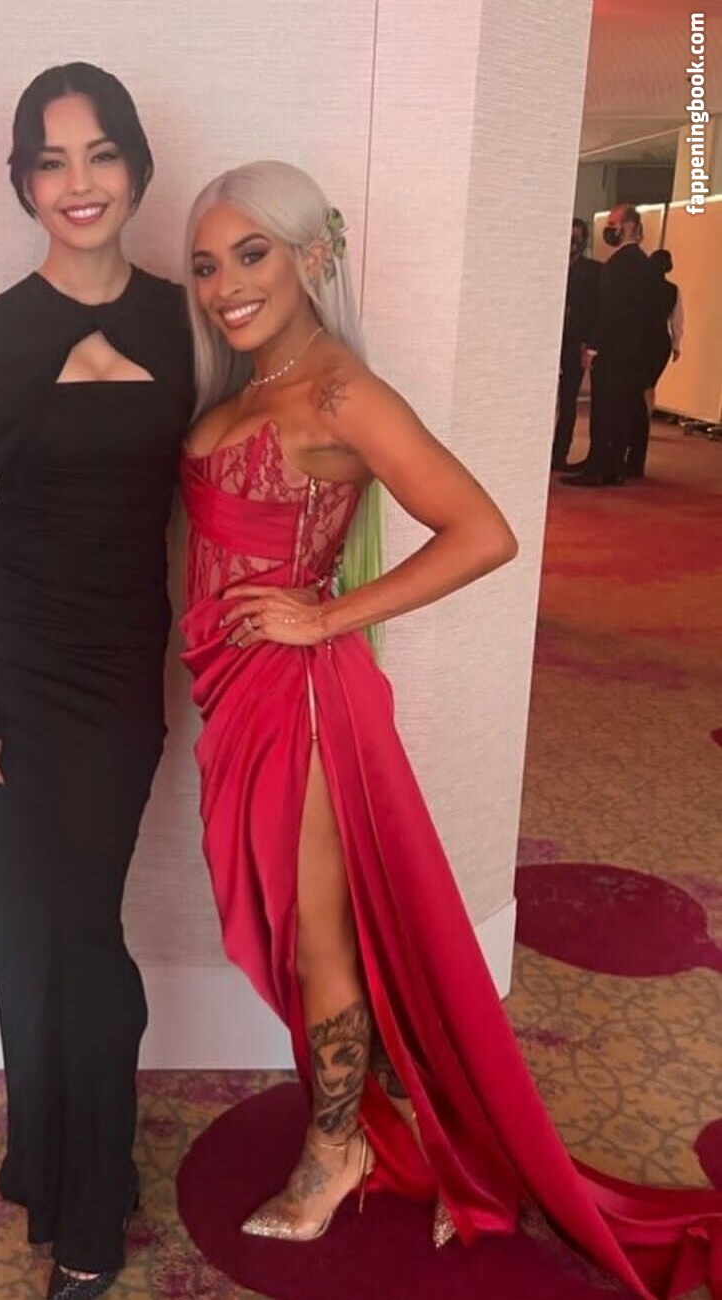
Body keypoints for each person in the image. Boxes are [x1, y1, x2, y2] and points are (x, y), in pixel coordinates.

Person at [178, 161, 722, 1298]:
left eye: (250, 253)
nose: (225, 284)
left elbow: (482, 531)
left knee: (318, 937)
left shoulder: (340, 392)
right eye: (206, 264)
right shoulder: (245, 380)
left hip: (300, 700)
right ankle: (371, 1122)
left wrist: (323, 614)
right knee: (296, 924)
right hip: (231, 692)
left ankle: (335, 1151)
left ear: (310, 256)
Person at [0, 63, 192, 1300]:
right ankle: (47, 1158)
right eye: (50, 160)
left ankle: (91, 1199)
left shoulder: (180, 321)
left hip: (116, 665)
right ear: (23, 181)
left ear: (134, 165)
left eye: (98, 154)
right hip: (2, 662)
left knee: (84, 928)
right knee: (24, 927)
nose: (77, 183)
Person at [562, 204, 655, 488]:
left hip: (612, 351)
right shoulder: (643, 264)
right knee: (620, 410)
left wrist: (593, 348)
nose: (609, 229)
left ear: (628, 226)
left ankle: (597, 467)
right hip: (632, 351)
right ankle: (612, 465)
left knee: (604, 411)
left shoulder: (618, 265)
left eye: (613, 224)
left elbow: (608, 311)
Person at [551, 218, 600, 472]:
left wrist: (590, 346)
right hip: (549, 342)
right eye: (569, 237)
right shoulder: (550, 267)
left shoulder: (594, 271)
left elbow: (596, 311)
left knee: (568, 400)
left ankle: (559, 453)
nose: (573, 243)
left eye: (578, 238)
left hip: (575, 343)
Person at [638, 249, 684, 474]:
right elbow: (677, 320)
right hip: (660, 342)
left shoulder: (641, 288)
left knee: (636, 385)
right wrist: (676, 344)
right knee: (650, 385)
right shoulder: (673, 290)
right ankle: (644, 424)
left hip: (641, 340)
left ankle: (635, 425)